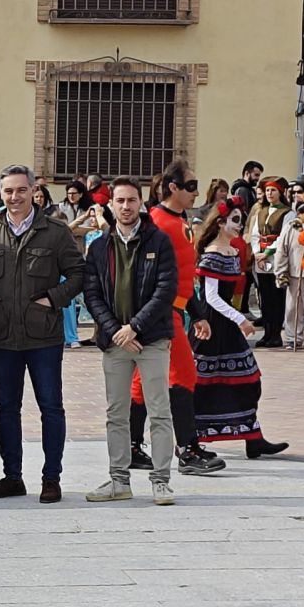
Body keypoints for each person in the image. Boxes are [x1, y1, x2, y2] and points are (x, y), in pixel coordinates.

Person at [0, 165, 85, 504]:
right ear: (1, 193)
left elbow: (79, 274)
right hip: (3, 336)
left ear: (33, 190)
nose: (14, 197)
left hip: (44, 337)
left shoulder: (54, 232)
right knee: (6, 408)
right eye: (8, 191)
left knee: (51, 407)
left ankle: (51, 477)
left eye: (20, 190)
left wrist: (53, 299)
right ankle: (12, 476)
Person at [82, 178, 178, 506]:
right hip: (114, 342)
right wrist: (115, 331)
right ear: (110, 205)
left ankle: (162, 480)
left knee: (159, 410)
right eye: (120, 200)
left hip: (151, 339)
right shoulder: (98, 246)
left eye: (132, 200)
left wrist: (135, 327)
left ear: (141, 203)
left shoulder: (159, 242)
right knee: (116, 412)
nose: (126, 206)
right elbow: (92, 294)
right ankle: (118, 480)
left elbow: (165, 290)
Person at [126, 160, 222, 476]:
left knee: (141, 383)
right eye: (191, 186)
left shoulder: (179, 221)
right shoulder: (156, 223)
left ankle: (130, 446)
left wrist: (197, 314)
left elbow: (183, 276)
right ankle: (188, 449)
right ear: (173, 188)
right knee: (183, 375)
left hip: (174, 309)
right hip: (160, 312)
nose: (196, 192)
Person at [191, 199, 289, 459]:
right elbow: (211, 297)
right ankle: (192, 438)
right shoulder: (212, 252)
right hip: (211, 326)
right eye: (235, 220)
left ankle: (252, 437)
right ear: (220, 223)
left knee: (248, 381)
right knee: (204, 383)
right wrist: (240, 319)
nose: (239, 225)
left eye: (241, 220)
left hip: (227, 324)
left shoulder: (232, 251)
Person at [274, 198, 304, 351]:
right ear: (299, 213)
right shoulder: (291, 228)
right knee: (292, 308)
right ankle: (292, 337)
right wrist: (281, 272)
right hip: (295, 274)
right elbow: (282, 251)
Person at [247, 177, 291, 348]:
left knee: (276, 298)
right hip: (261, 260)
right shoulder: (261, 212)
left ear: (280, 192)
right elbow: (255, 234)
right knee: (264, 298)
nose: (270, 193)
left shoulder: (288, 213)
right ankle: (266, 332)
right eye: (267, 191)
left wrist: (268, 251)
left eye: (273, 190)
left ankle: (275, 335)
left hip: (275, 258)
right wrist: (258, 252)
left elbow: (283, 236)